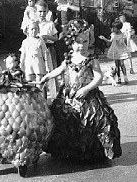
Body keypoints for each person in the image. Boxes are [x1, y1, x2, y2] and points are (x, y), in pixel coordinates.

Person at [40, 19, 122, 162]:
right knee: (65, 122)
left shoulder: (92, 59)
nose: (82, 45)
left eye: (85, 41)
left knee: (96, 119)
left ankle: (91, 151)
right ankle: (69, 152)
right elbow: (59, 70)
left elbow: (99, 78)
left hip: (88, 96)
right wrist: (47, 76)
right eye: (78, 42)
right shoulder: (69, 58)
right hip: (68, 96)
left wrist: (86, 89)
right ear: (71, 42)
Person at [19, 20, 50, 98]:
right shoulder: (25, 42)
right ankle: (31, 99)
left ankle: (41, 98)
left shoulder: (40, 40)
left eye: (36, 29)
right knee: (29, 81)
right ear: (27, 30)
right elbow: (23, 54)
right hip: (29, 63)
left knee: (40, 80)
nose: (34, 31)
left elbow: (45, 54)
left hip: (38, 63)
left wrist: (47, 66)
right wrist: (21, 63)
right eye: (32, 29)